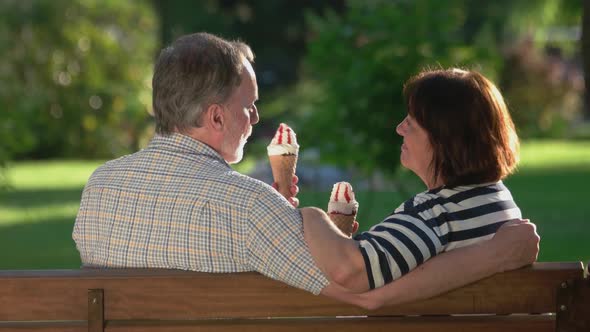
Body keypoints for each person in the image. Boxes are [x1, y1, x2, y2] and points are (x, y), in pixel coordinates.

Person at [73, 33, 538, 308]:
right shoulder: (251, 205)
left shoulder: (99, 187)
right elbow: (356, 291)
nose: (256, 119)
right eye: (249, 107)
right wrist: (302, 215)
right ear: (215, 118)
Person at [300, 68, 539, 308]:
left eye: (411, 122)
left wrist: (311, 216)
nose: (399, 128)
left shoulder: (433, 215)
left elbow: (349, 271)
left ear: (444, 138)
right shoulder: (499, 200)